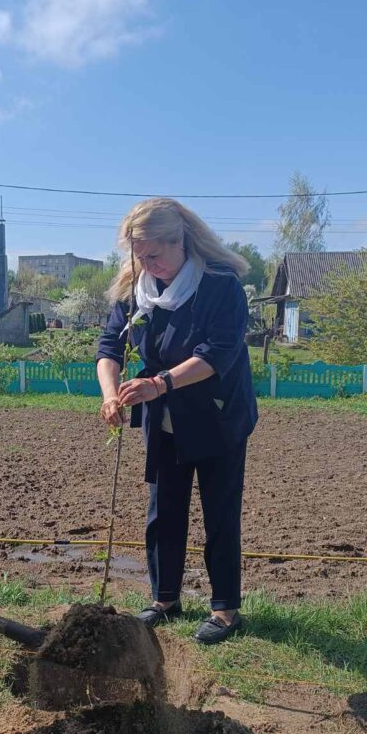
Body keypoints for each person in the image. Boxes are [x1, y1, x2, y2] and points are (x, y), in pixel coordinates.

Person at [97, 198, 257, 644]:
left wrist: (159, 384)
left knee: (220, 512)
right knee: (163, 510)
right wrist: (111, 395)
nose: (146, 265)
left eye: (154, 255)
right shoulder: (135, 292)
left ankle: (225, 608)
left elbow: (216, 354)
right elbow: (109, 346)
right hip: (163, 419)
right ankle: (164, 598)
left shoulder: (220, 286)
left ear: (180, 241)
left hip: (218, 417)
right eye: (139, 257)